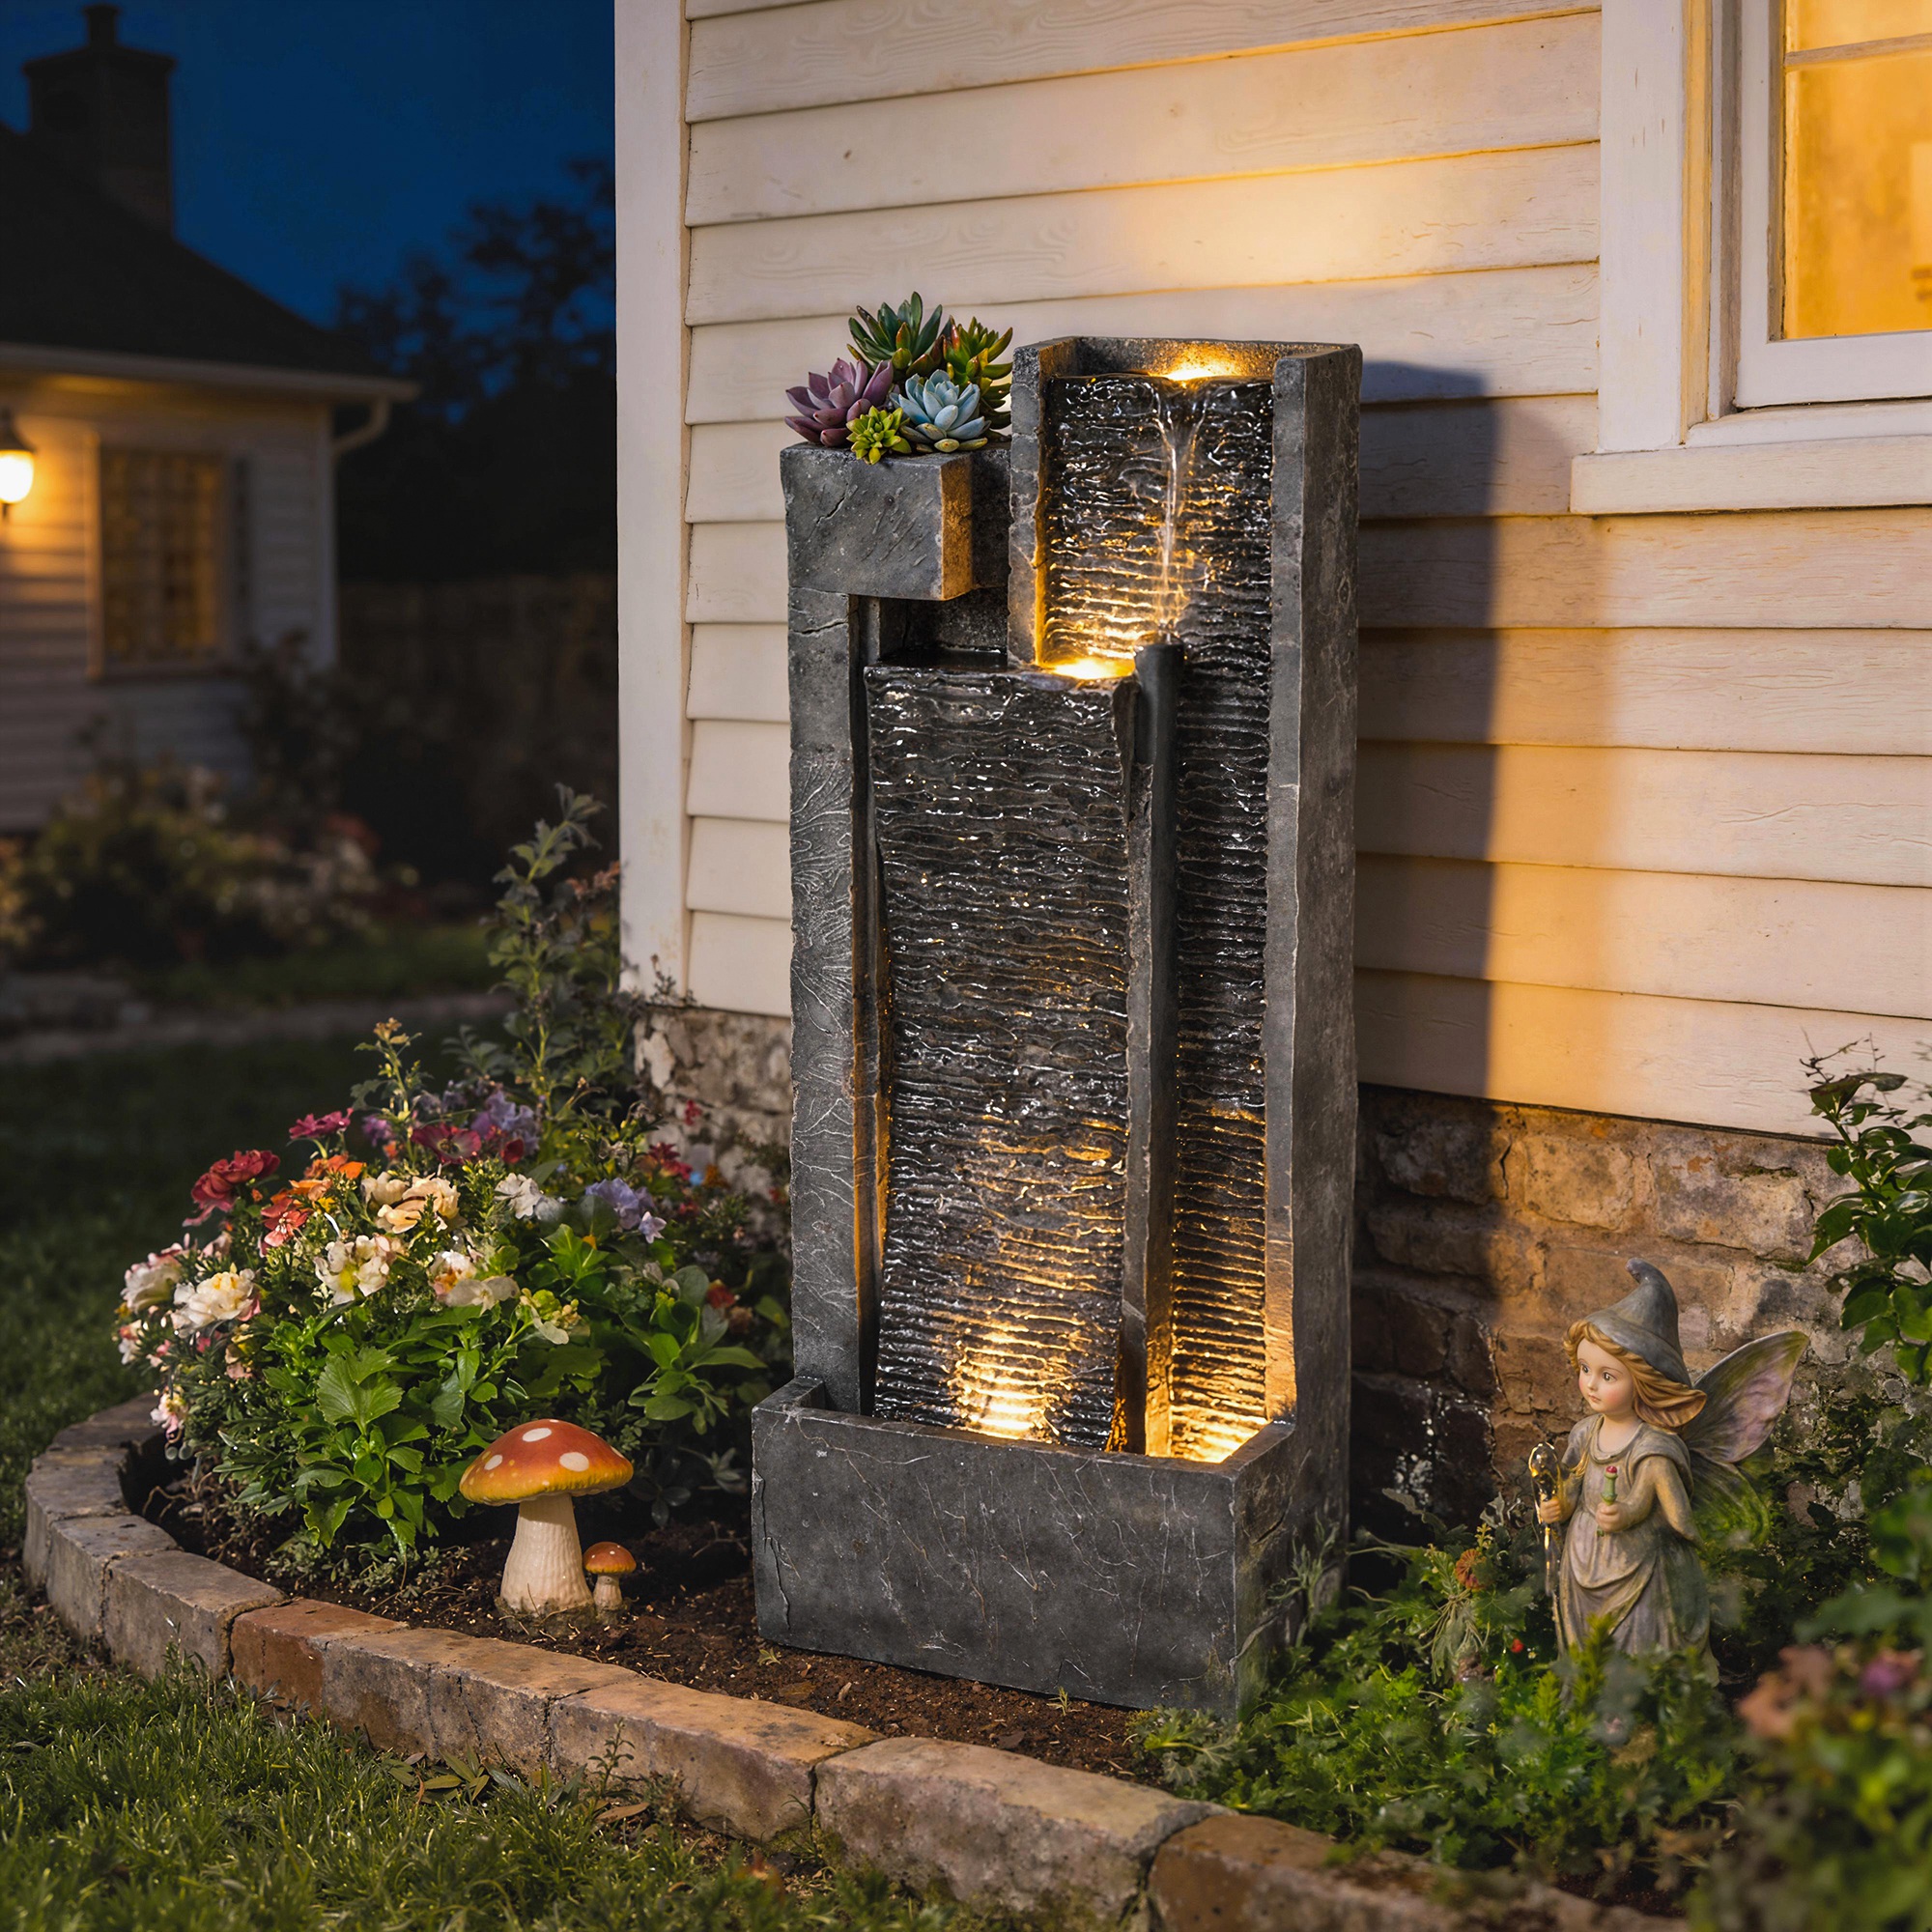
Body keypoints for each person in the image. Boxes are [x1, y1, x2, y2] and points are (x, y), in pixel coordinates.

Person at [1535, 1261, 1804, 1658]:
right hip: (1584, 1560)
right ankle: (1590, 1705)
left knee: (1636, 1640)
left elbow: (1668, 1510)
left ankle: (1643, 1708)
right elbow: (1574, 1484)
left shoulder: (1653, 1446)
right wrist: (1561, 1504)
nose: (1590, 1383)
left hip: (1638, 1567)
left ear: (1645, 1383)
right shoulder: (1584, 1433)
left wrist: (1626, 1514)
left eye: (1608, 1376)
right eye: (1585, 1368)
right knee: (1588, 1647)